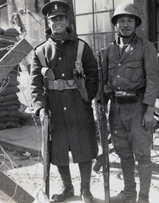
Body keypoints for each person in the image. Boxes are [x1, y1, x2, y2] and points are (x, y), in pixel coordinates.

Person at [30, 1, 99, 203]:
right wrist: (40, 108)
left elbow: (93, 76)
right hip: (54, 108)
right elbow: (35, 83)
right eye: (53, 20)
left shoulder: (81, 47)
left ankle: (85, 190)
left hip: (79, 106)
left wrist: (87, 99)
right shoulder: (40, 51)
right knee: (58, 150)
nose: (57, 22)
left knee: (84, 148)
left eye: (61, 18)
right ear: (48, 23)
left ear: (67, 21)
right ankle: (67, 188)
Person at [101, 3, 159, 203]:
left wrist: (149, 110)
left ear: (136, 24)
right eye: (121, 21)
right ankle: (129, 192)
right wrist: (101, 103)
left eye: (130, 20)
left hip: (138, 108)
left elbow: (153, 80)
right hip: (116, 109)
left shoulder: (146, 47)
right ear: (115, 25)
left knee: (142, 155)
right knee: (124, 153)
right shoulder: (109, 50)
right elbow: (104, 82)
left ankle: (143, 198)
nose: (125, 24)